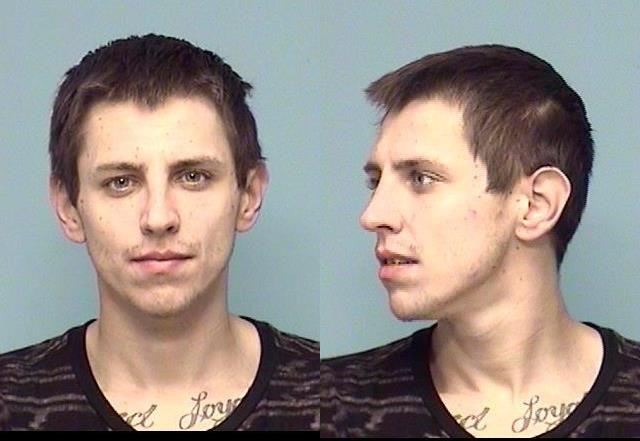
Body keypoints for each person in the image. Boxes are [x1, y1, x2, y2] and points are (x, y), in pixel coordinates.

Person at [0, 34, 318, 431]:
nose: (158, 218)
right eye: (120, 182)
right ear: (68, 207)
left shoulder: (324, 396)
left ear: (249, 195)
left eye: (193, 176)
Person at [321, 45, 640, 437]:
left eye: (421, 178)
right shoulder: (331, 406)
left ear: (536, 205)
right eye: (375, 181)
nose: (373, 216)